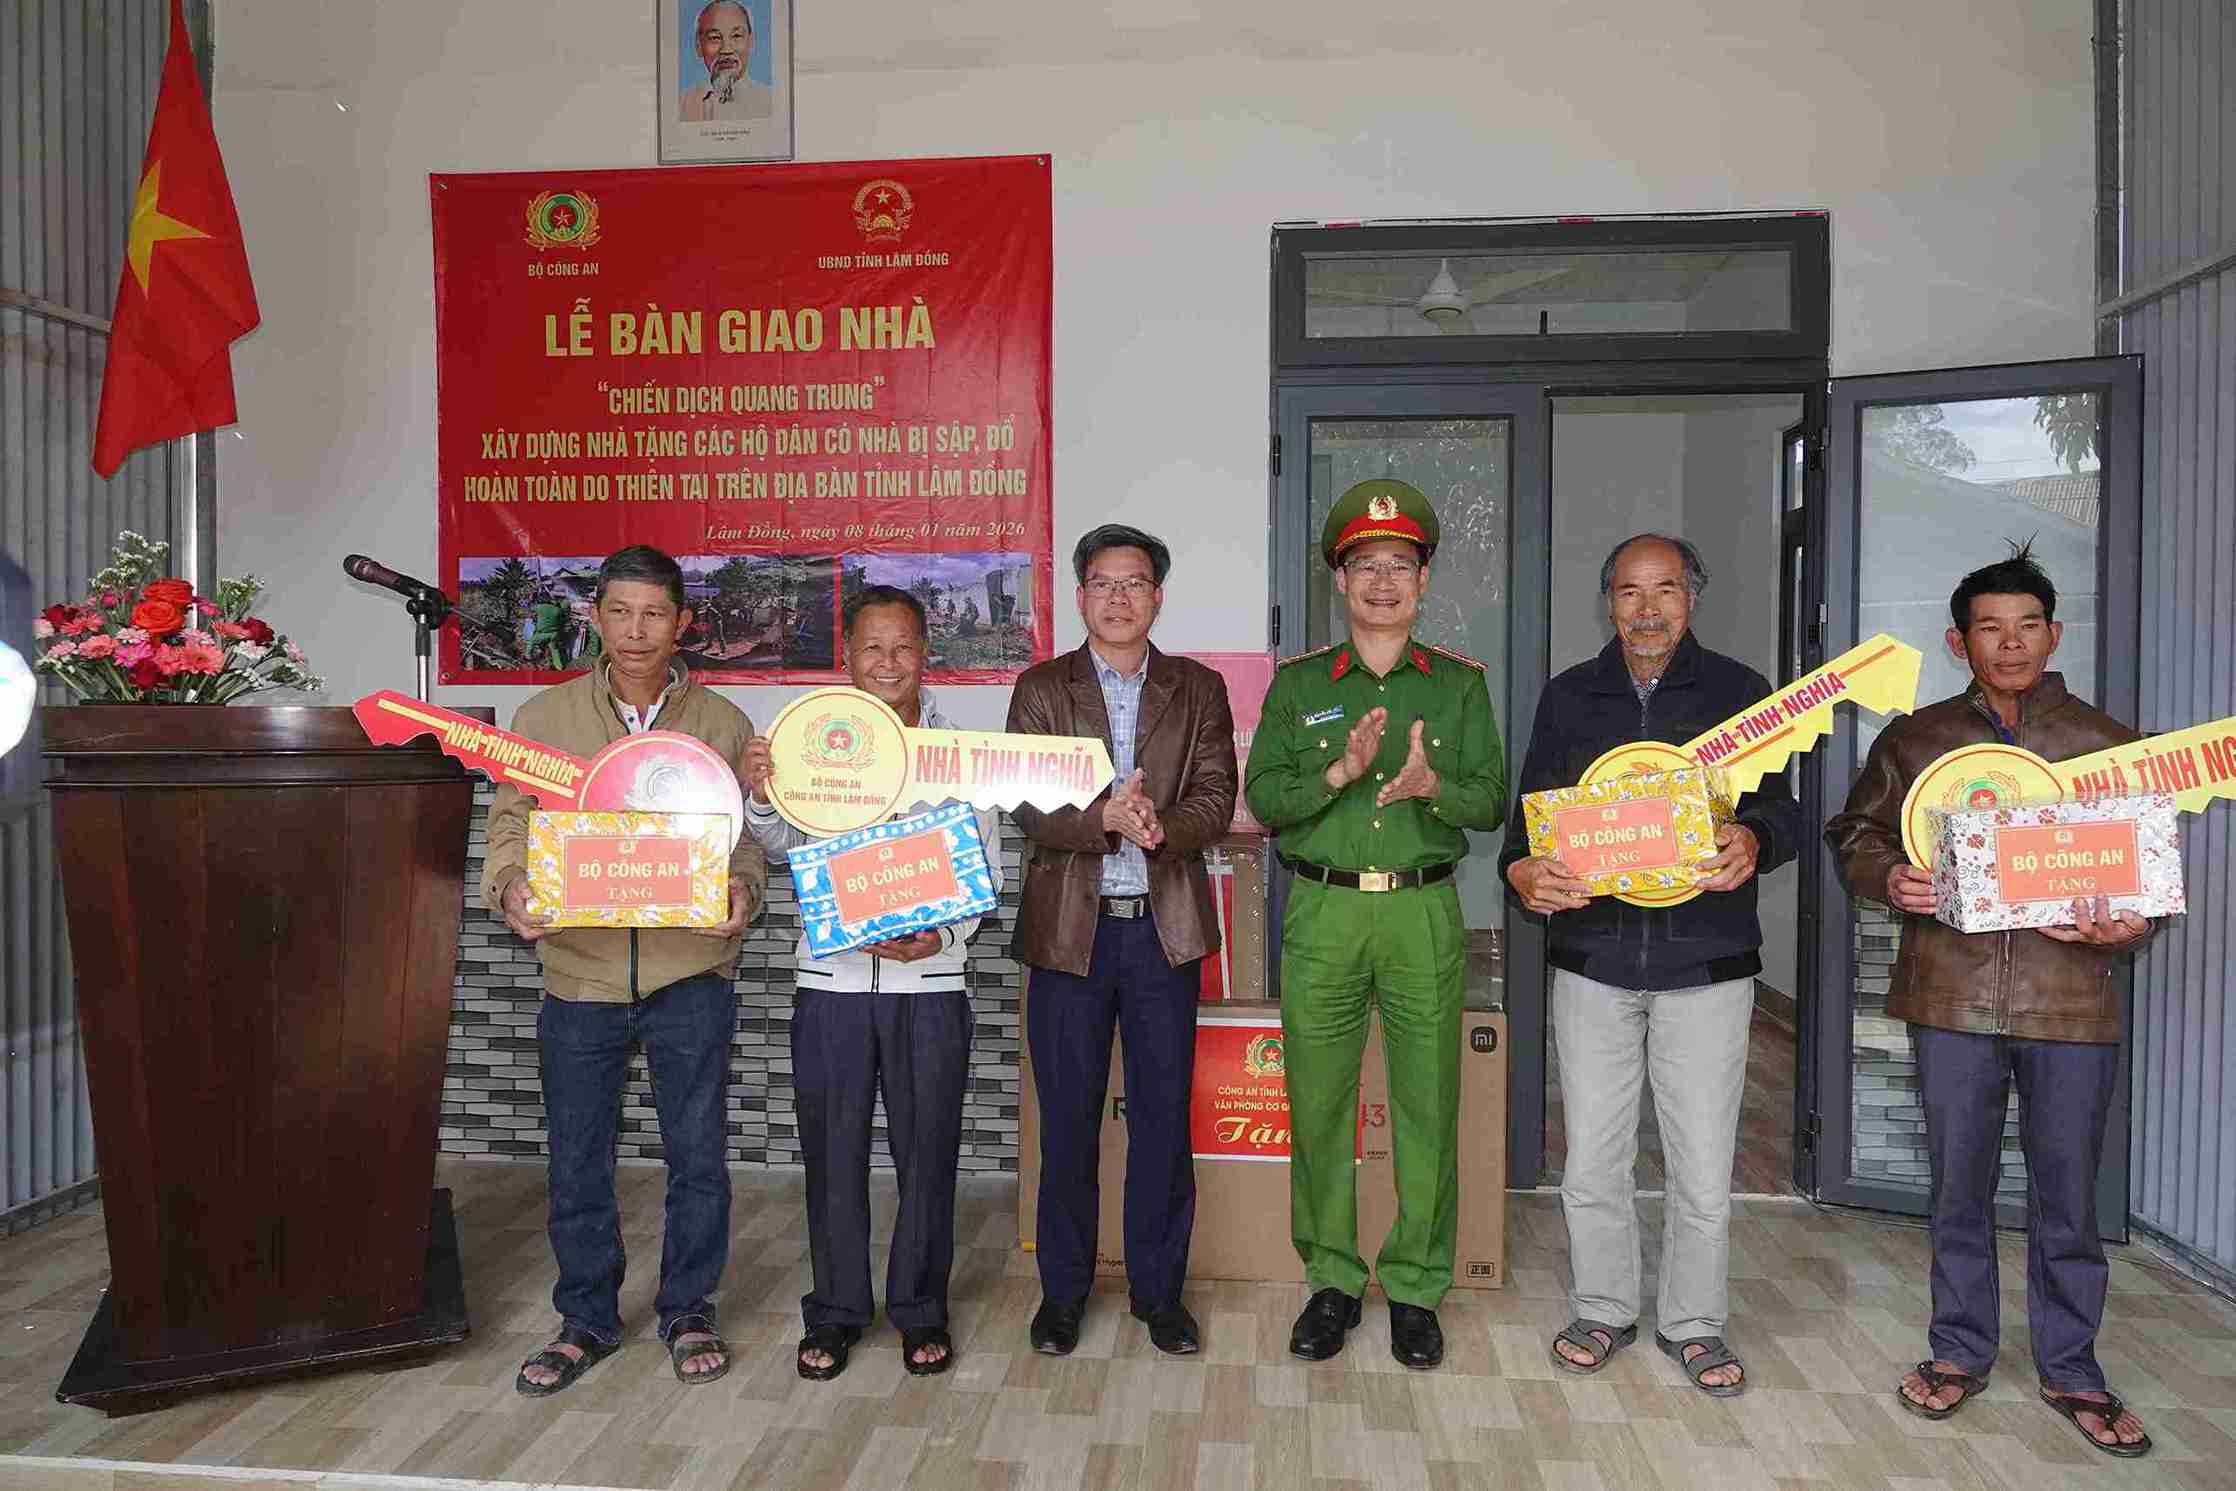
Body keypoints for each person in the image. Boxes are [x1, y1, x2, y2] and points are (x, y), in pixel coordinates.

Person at [1826, 543, 2154, 1457]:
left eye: (2027, 627)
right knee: (1958, 1190)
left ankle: (2072, 1366)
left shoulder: (2109, 744)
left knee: (2068, 1197)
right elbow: (1853, 832)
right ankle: (1960, 1350)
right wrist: (1889, 877)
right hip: (1953, 1000)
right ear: (1958, 640)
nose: (2009, 644)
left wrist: (2121, 926)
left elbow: (2146, 883)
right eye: (1989, 629)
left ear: (2055, 635)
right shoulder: (1916, 739)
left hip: (2073, 1006)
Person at [1498, 533, 1796, 1396]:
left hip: (1706, 964)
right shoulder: (1569, 697)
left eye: (1664, 589)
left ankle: (1695, 1323)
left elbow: (1785, 807)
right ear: (1609, 603)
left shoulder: (1742, 695)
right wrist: (1523, 871)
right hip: (1592, 962)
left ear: (1691, 598)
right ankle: (1602, 1305)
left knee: (1702, 1162)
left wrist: (1755, 836)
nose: (1647, 608)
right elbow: (1527, 834)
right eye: (1629, 591)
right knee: (1592, 1156)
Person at [482, 544, 765, 1395]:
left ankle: (687, 1308)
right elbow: (508, 825)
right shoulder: (542, 720)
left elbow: (745, 840)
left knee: (698, 1157)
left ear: (682, 623)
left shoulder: (722, 724)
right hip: (580, 973)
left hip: (691, 972)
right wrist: (510, 887)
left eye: (655, 614)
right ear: (596, 616)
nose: (637, 630)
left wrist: (743, 892)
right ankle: (587, 1318)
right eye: (620, 611)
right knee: (576, 1158)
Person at [1244, 479, 1506, 1370]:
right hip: (1321, 909)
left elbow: (1492, 800)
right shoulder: (1302, 685)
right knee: (1316, 1100)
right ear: (1340, 579)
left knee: (1429, 1101)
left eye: (1401, 564)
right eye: (1366, 565)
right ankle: (1330, 1278)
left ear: (1424, 579)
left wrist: (1436, 788)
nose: (1383, 581)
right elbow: (1264, 799)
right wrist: (1338, 773)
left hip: (1424, 911)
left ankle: (1418, 1284)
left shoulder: (1462, 687)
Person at [739, 585, 1000, 1382]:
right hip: (833, 984)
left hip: (931, 987)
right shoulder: (814, 743)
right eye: (872, 648)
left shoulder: (961, 753)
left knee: (929, 1155)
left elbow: (984, 870)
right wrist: (759, 792)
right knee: (833, 1152)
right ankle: (838, 1310)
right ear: (847, 658)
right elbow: (780, 844)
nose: (888, 663)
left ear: (929, 656)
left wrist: (944, 933)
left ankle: (921, 1308)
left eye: (904, 647)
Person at [1009, 524, 1237, 1358]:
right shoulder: (1041, 686)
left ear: (1157, 596)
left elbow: (1215, 795)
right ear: (1080, 596)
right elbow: (1026, 799)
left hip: (1161, 936)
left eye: (1134, 583)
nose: (1117, 598)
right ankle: (1063, 1294)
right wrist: (1101, 818)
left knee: (1161, 1120)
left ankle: (1158, 1292)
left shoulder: (1198, 687)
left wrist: (1157, 824)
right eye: (1101, 583)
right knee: (1066, 1123)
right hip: (1069, 937)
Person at [678, 0, 772, 122]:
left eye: (736, 36)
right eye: (715, 38)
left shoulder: (771, 103)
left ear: (751, 41)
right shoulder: (681, 105)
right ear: (699, 46)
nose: (726, 49)